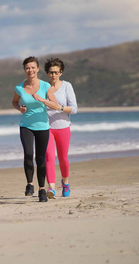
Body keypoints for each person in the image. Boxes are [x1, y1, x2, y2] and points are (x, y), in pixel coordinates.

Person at [11, 56, 60, 202]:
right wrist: (20, 108)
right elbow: (14, 102)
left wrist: (42, 100)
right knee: (28, 154)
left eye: (33, 67)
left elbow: (55, 105)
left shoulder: (46, 86)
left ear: (37, 69)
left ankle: (42, 190)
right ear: (24, 70)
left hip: (43, 126)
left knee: (40, 159)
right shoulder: (19, 88)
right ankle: (29, 184)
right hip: (26, 125)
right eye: (27, 68)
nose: (30, 70)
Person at [42, 58, 78, 198]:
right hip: (47, 128)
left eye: (56, 72)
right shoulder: (43, 87)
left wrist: (60, 107)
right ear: (47, 73)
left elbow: (74, 109)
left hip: (63, 127)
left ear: (61, 73)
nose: (53, 75)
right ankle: (51, 188)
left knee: (63, 158)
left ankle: (65, 182)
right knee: (49, 156)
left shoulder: (67, 86)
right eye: (51, 72)